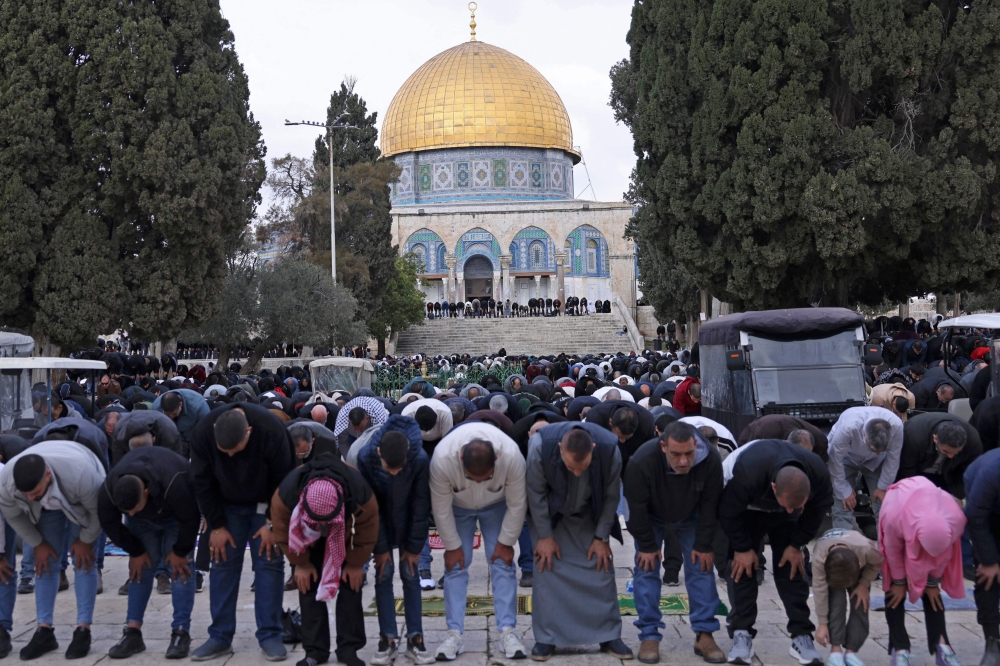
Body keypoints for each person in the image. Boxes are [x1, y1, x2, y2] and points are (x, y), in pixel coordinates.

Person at [188, 404, 295, 661]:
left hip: (266, 503)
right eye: (226, 452)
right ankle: (220, 637)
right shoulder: (203, 433)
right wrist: (216, 525)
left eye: (237, 449)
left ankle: (270, 635)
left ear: (249, 431)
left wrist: (272, 524)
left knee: (269, 563)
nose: (232, 457)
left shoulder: (271, 430)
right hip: (225, 505)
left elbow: (286, 481)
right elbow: (202, 482)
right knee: (223, 563)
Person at [719, 439, 833, 666]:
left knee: (792, 566)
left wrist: (796, 545)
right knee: (743, 568)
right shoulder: (747, 472)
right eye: (789, 505)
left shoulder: (818, 473)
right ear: (773, 488)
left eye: (797, 505)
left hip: (784, 508)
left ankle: (801, 636)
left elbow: (817, 511)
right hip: (745, 510)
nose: (791, 510)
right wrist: (742, 548)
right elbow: (726, 512)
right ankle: (741, 634)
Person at [525, 422, 633, 661]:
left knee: (601, 567)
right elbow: (535, 493)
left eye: (581, 467)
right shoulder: (540, 446)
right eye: (571, 466)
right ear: (560, 449)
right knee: (547, 567)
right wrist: (545, 536)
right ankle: (547, 638)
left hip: (589, 514)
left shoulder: (609, 449)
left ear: (593, 449)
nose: (576, 473)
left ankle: (608, 635)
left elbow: (611, 496)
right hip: (550, 516)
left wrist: (601, 537)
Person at [625, 421, 725, 665]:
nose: (683, 461)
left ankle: (704, 633)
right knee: (646, 568)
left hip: (692, 516)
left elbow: (712, 505)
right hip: (651, 516)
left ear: (696, 446)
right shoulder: (642, 461)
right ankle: (649, 635)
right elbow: (635, 507)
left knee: (701, 566)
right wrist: (647, 546)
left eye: (689, 454)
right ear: (663, 446)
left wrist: (704, 544)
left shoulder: (710, 459)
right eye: (676, 454)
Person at [429, 422, 528, 661]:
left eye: (486, 477)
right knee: (455, 566)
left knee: (503, 563)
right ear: (460, 457)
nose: (479, 483)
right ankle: (454, 633)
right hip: (457, 506)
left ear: (497, 458)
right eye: (472, 477)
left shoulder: (512, 455)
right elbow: (440, 510)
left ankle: (507, 631)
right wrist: (452, 547)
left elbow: (517, 504)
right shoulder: (442, 458)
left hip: (497, 504)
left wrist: (506, 542)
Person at [0, 442, 106, 660]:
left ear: (47, 475)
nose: (30, 498)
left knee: (83, 560)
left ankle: (83, 630)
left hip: (80, 499)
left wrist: (85, 540)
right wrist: (37, 543)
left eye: (35, 492)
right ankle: (44, 631)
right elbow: (13, 516)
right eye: (26, 494)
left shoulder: (82, 475)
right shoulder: (7, 482)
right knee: (45, 561)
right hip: (47, 509)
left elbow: (99, 511)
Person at [271, 453, 379, 666]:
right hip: (307, 540)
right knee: (307, 585)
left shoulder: (359, 492)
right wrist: (300, 563)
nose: (322, 526)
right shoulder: (287, 493)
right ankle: (315, 651)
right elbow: (283, 532)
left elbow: (367, 529)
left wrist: (356, 563)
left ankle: (348, 649)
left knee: (351, 584)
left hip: (346, 534)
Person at [97, 447, 199, 659]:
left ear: (145, 491)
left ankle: (181, 632)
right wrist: (135, 550)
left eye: (134, 508)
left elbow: (191, 518)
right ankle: (132, 632)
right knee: (139, 568)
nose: (131, 513)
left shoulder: (175, 480)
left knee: (181, 568)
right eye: (127, 512)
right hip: (143, 524)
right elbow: (109, 522)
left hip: (177, 517)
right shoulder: (109, 489)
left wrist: (180, 551)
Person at [355, 418, 436, 665]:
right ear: (379, 453)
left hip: (409, 521)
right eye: (388, 468)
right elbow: (369, 508)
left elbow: (421, 507)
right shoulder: (365, 457)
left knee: (411, 575)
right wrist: (380, 549)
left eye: (398, 469)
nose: (393, 473)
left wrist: (412, 548)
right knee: (383, 575)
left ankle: (415, 640)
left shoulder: (419, 460)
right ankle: (386, 640)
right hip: (379, 522)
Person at [879, 477, 966, 666]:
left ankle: (942, 646)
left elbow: (944, 555)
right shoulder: (894, 515)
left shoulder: (956, 519)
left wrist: (933, 582)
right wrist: (901, 582)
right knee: (894, 588)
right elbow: (893, 552)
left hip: (930, 511)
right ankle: (900, 648)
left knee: (932, 593)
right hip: (900, 504)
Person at [811, 529, 883, 666]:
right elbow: (820, 592)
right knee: (836, 604)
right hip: (835, 566)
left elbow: (878, 563)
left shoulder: (866, 549)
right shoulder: (820, 559)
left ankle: (851, 652)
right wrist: (822, 623)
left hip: (854, 569)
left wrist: (863, 584)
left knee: (861, 603)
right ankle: (835, 651)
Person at [826, 407, 904, 530]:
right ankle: (842, 543)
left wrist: (883, 487)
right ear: (864, 434)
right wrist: (843, 489)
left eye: (881, 450)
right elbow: (835, 460)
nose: (878, 453)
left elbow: (893, 459)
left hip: (876, 463)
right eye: (874, 449)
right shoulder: (848, 428)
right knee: (843, 504)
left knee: (883, 504)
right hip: (847, 456)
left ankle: (887, 545)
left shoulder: (897, 426)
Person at [962, 448, 1000, 666]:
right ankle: (992, 641)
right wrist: (989, 561)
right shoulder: (990, 474)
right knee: (988, 578)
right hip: (986, 513)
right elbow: (975, 517)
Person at [896, 413, 982, 499]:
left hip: (950, 475)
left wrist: (955, 496)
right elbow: (906, 472)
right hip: (917, 472)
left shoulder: (973, 442)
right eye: (946, 451)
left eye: (956, 452)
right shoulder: (913, 437)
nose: (951, 456)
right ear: (935, 438)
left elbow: (969, 474)